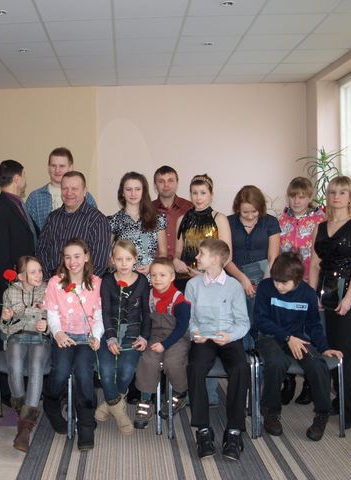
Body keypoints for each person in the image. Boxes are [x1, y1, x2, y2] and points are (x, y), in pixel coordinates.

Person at [254, 252, 343, 441]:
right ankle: (271, 411)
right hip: (269, 337)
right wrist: (287, 337)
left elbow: (313, 325)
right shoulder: (265, 287)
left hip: (297, 339)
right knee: (277, 362)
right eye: (276, 281)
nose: (278, 286)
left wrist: (324, 347)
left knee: (317, 364)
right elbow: (261, 320)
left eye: (283, 283)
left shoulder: (308, 294)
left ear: (297, 280)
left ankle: (322, 415)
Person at [309, 176, 351, 429]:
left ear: (350, 196)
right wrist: (313, 295)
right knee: (328, 349)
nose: (336, 197)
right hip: (323, 292)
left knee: (344, 352)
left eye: (342, 192)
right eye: (333, 192)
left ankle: (350, 409)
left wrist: (348, 298)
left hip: (347, 293)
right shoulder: (320, 227)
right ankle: (337, 399)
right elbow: (315, 264)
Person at [185, 239, 250, 461]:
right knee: (195, 367)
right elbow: (189, 319)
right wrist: (195, 333)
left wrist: (230, 336)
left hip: (228, 337)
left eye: (201, 253)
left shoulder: (234, 286)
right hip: (204, 337)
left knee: (240, 367)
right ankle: (203, 430)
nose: (197, 257)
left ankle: (234, 431)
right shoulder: (193, 285)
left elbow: (243, 322)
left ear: (215, 259)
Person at [173, 173, 231, 406]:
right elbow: (177, 253)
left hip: (210, 282)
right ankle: (186, 388)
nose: (198, 197)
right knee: (188, 334)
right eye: (194, 193)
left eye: (203, 193)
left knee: (208, 333)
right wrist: (176, 261)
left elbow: (227, 256)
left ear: (211, 194)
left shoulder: (220, 219)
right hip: (185, 281)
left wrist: (206, 273)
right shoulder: (182, 218)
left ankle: (210, 391)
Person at [42, 239, 103, 451]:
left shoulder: (96, 283)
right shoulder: (55, 283)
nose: (72, 261)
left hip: (87, 337)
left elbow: (99, 315)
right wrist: (58, 333)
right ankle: (51, 405)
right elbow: (51, 313)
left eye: (77, 256)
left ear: (86, 257)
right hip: (64, 335)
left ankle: (86, 426)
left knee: (84, 374)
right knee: (60, 371)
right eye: (68, 257)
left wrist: (96, 336)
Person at [278, 177, 326, 405]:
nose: (297, 201)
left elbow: (319, 258)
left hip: (309, 283)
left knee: (309, 330)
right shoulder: (281, 221)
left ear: (309, 197)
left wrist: (313, 291)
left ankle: (309, 382)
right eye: (293, 196)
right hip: (285, 286)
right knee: (287, 330)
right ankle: (288, 380)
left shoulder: (320, 220)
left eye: (302, 197)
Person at [96, 240, 150, 435]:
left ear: (135, 259)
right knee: (106, 371)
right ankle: (120, 414)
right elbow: (105, 311)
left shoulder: (142, 281)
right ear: (112, 260)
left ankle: (110, 403)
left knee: (127, 371)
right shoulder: (107, 281)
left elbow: (146, 312)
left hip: (132, 334)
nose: (124, 263)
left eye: (128, 259)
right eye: (119, 259)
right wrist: (110, 338)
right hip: (108, 332)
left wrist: (144, 337)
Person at [133, 257, 191, 430]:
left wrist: (165, 344)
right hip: (154, 336)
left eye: (162, 275)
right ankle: (145, 400)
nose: (157, 279)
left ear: (172, 277)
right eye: (153, 275)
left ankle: (180, 394)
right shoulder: (149, 295)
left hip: (177, 338)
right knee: (147, 360)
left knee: (172, 362)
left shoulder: (179, 299)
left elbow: (182, 328)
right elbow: (145, 320)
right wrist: (144, 338)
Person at [0, 256, 49, 452]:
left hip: (40, 337)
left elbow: (56, 319)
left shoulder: (48, 290)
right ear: (21, 276)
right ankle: (23, 411)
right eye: (33, 272)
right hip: (18, 336)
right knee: (15, 363)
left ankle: (25, 428)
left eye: (40, 271)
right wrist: (6, 319)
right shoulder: (10, 292)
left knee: (36, 365)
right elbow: (4, 329)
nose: (39, 275)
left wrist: (46, 326)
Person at [37, 171, 111, 279]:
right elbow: (41, 250)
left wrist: (76, 284)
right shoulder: (52, 218)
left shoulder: (98, 220)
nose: (69, 193)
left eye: (74, 189)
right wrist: (51, 280)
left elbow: (99, 263)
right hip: (51, 282)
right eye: (65, 188)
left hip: (82, 285)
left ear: (84, 191)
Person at [225, 185, 280, 325]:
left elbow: (273, 256)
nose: (250, 216)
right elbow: (225, 258)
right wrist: (242, 279)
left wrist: (265, 282)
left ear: (261, 208)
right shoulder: (228, 222)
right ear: (237, 208)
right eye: (245, 212)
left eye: (254, 211)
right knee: (238, 318)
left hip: (265, 276)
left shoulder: (270, 222)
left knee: (261, 315)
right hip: (234, 278)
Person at [0, 160, 36, 306]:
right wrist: (13, 288)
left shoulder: (18, 204)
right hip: (12, 290)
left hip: (25, 283)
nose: (25, 180)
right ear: (17, 179)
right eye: (24, 175)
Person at [25, 147, 97, 233]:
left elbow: (95, 225)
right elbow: (27, 231)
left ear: (70, 167)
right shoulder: (35, 198)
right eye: (53, 166)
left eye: (62, 166)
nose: (57, 170)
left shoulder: (86, 196)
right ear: (48, 167)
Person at [108, 172, 167, 275]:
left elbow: (163, 253)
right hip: (123, 279)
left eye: (137, 189)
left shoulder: (157, 218)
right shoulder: (114, 220)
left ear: (143, 191)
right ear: (122, 192)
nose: (133, 193)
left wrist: (152, 266)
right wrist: (120, 266)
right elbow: (107, 256)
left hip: (150, 278)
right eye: (128, 189)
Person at [152, 166, 193, 259]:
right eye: (161, 181)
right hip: (156, 266)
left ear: (177, 183)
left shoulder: (190, 208)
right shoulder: (146, 210)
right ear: (155, 185)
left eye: (170, 180)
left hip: (184, 265)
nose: (166, 185)